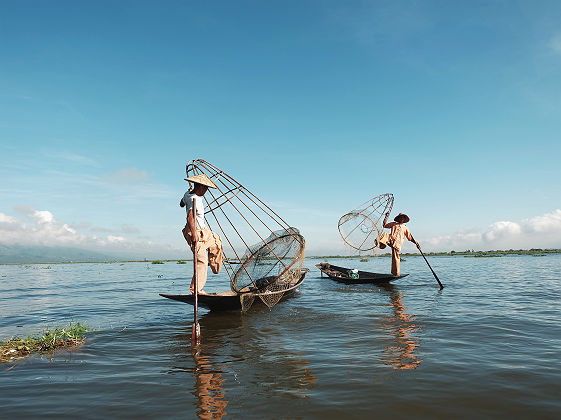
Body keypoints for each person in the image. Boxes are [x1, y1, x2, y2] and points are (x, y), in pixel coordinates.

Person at [180, 173, 223, 294]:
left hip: (202, 230)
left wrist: (185, 200)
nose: (206, 191)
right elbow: (190, 218)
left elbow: (181, 203)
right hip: (194, 230)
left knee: (217, 240)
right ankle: (196, 290)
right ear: (200, 187)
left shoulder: (187, 194)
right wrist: (194, 235)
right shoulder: (194, 199)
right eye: (205, 188)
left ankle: (215, 266)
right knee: (201, 261)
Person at [380, 212, 420, 276]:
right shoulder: (394, 224)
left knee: (396, 258)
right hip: (390, 240)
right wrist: (386, 217)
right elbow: (385, 225)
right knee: (385, 234)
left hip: (397, 244)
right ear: (398, 219)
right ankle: (382, 245)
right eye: (400, 218)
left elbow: (410, 237)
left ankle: (396, 273)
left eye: (402, 218)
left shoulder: (405, 227)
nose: (401, 219)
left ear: (404, 219)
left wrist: (416, 243)